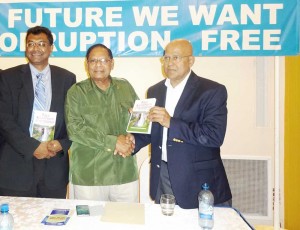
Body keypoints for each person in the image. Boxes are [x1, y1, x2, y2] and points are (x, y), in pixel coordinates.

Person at [126, 39, 232, 209]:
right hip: (163, 175)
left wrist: (171, 122)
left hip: (199, 181)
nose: (169, 63)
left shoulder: (212, 90)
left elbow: (214, 136)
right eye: (166, 58)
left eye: (176, 57)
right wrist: (133, 139)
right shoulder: (155, 90)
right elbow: (154, 130)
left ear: (191, 60)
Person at [0, 26, 76, 198]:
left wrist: (62, 144)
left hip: (54, 166)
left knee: (53, 221)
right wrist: (33, 147)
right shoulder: (7, 77)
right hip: (16, 167)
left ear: (51, 47)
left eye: (41, 43)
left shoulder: (67, 78)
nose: (36, 48)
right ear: (26, 48)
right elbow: (4, 120)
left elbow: (74, 119)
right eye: (31, 44)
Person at [65, 44, 139, 202]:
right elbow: (74, 128)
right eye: (93, 61)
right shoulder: (76, 92)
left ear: (112, 63)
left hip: (124, 171)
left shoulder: (125, 87)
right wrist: (114, 142)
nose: (98, 65)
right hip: (90, 176)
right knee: (89, 223)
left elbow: (140, 117)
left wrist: (134, 137)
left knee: (125, 222)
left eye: (104, 60)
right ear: (87, 64)